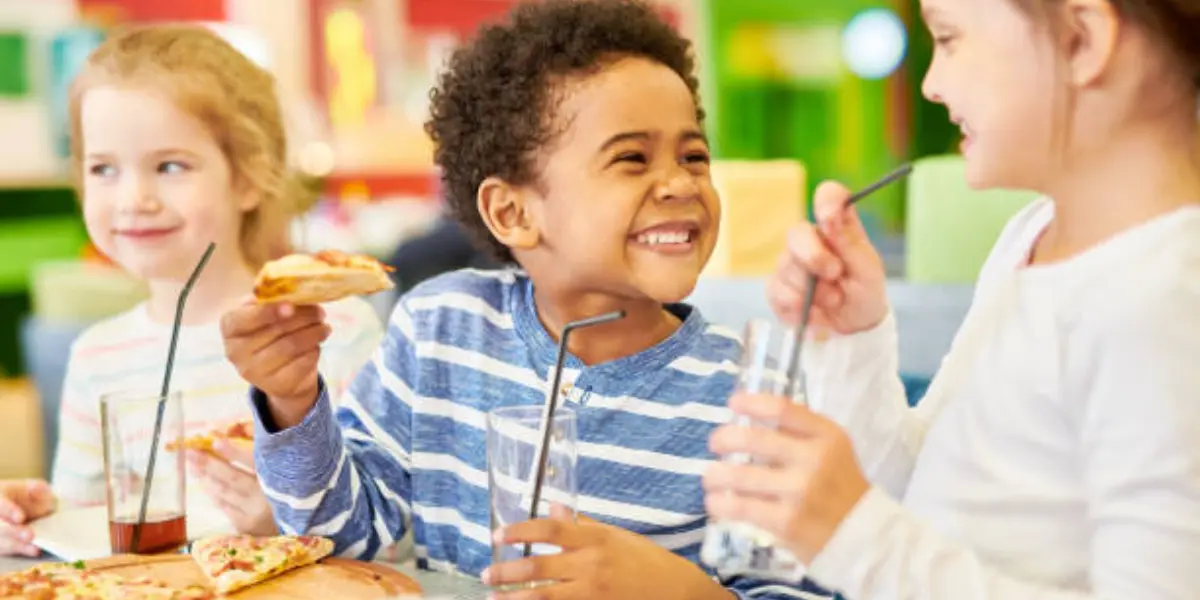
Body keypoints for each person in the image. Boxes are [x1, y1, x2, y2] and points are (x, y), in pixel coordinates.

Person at [219, 1, 829, 598]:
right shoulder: (440, 330)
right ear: (512, 212)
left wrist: (686, 592)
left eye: (694, 156)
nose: (678, 183)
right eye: (631, 159)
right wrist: (293, 402)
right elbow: (342, 539)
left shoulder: (751, 394)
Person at [702, 0, 1200, 598]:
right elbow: (921, 497)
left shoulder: (1166, 300)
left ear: (1079, 40)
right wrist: (856, 336)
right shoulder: (1031, 237)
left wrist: (854, 537)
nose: (931, 85)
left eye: (949, 37)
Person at [0, 25, 383, 557]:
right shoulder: (95, 357)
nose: (133, 197)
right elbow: (84, 542)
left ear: (249, 178)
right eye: (103, 168)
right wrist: (32, 520)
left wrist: (290, 515)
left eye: (170, 165)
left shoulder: (335, 332)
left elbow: (394, 537)